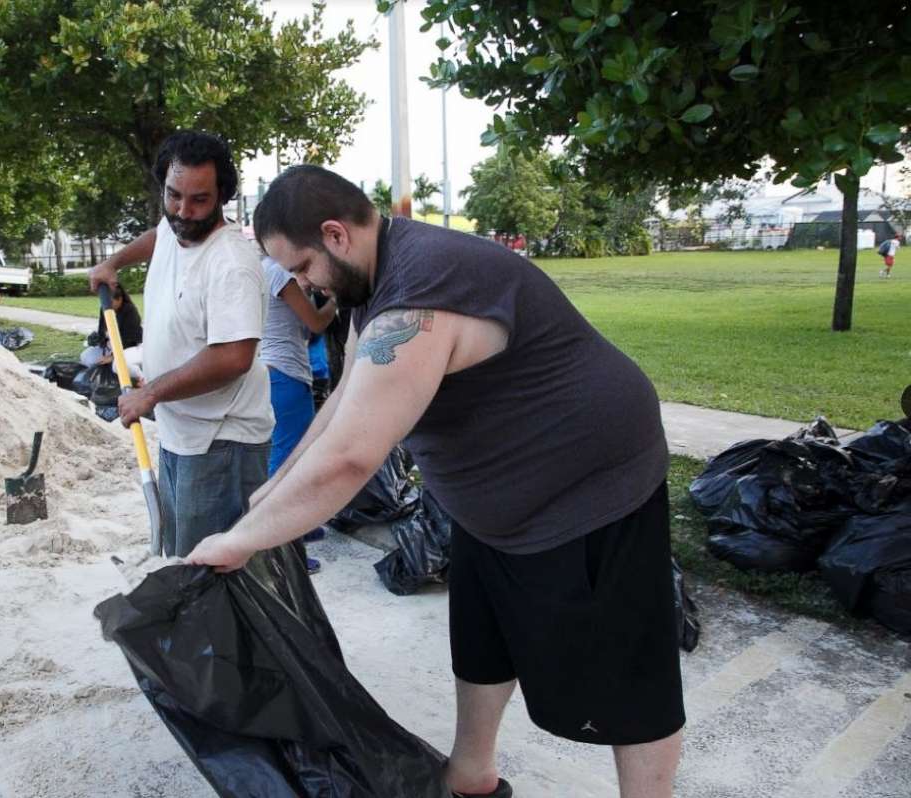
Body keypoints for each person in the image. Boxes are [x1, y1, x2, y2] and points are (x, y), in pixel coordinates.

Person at [188, 165, 683, 798]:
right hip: (494, 506)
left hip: (589, 487)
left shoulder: (421, 293)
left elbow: (351, 457)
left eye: (302, 268)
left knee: (627, 680)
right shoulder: (379, 274)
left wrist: (242, 541)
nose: (303, 285)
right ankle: (470, 776)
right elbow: (343, 400)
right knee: (484, 638)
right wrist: (272, 489)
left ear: (336, 235)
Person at [87, 130, 273, 559]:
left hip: (221, 443)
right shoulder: (175, 226)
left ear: (222, 196)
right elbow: (159, 237)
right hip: (183, 431)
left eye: (199, 200)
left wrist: (149, 393)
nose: (183, 212)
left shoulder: (230, 264)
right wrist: (114, 262)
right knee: (183, 560)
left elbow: (233, 357)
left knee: (205, 574)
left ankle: (210, 629)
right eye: (173, 196)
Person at [261, 255, 337, 573]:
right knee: (287, 462)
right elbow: (315, 323)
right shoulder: (281, 274)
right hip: (286, 373)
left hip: (272, 370)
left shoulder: (263, 269)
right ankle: (283, 549)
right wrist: (337, 299)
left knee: (290, 453)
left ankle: (299, 527)